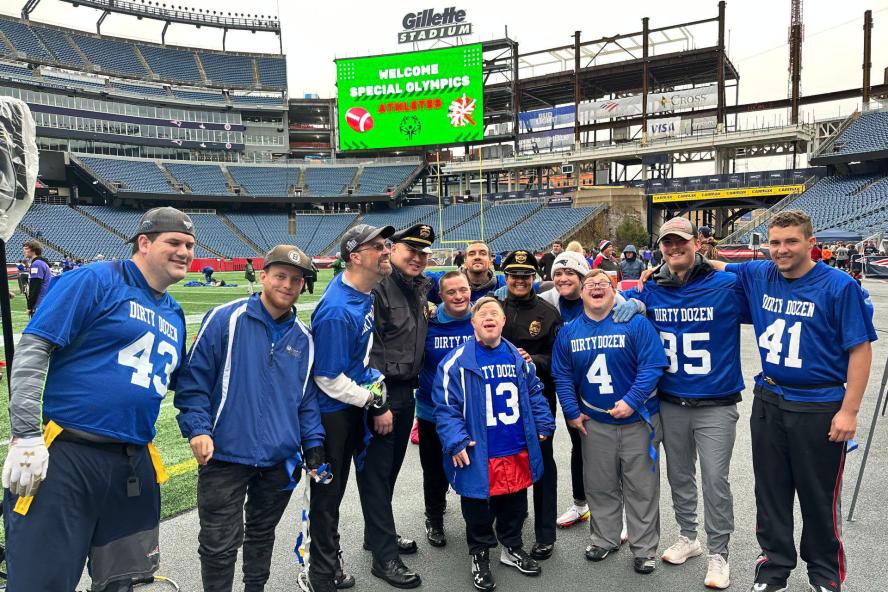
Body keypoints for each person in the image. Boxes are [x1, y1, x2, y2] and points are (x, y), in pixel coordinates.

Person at [2, 207, 194, 591]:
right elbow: (34, 348)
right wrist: (25, 433)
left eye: (190, 245)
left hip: (133, 464)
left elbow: (183, 383)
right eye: (174, 242)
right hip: (71, 456)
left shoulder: (173, 312)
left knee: (123, 581)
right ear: (144, 242)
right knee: (40, 581)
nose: (185, 252)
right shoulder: (97, 279)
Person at [708, 210, 876, 592]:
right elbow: (715, 265)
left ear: (810, 244)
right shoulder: (760, 273)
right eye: (775, 242)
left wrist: (849, 410)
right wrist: (670, 265)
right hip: (769, 399)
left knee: (818, 496)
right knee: (770, 491)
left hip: (818, 404)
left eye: (791, 242)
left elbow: (860, 350)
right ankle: (774, 567)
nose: (781, 250)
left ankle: (824, 573)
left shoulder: (838, 285)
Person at [174, 245, 324, 592]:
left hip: (278, 459)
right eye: (280, 276)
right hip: (223, 455)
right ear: (263, 276)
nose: (287, 285)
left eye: (295, 279)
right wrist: (198, 428)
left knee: (261, 534)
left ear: (302, 285)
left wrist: (313, 444)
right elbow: (193, 382)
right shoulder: (224, 318)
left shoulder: (304, 339)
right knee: (218, 544)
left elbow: (305, 400)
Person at [625, 216, 749, 589]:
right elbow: (615, 306)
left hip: (715, 401)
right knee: (679, 474)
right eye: (667, 242)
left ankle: (719, 552)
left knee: (715, 479)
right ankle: (688, 536)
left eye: (681, 241)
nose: (674, 248)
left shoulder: (726, 284)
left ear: (697, 242)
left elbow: (770, 289)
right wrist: (630, 297)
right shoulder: (651, 288)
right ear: (659, 247)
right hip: (671, 400)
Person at [308, 224, 423, 592]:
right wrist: (374, 402)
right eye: (377, 246)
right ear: (356, 256)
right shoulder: (337, 309)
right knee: (329, 494)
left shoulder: (364, 293)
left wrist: (373, 393)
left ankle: (379, 550)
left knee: (371, 479)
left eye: (385, 244)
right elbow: (327, 377)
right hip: (333, 414)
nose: (386, 250)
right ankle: (323, 571)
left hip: (356, 401)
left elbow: (360, 360)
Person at [433, 297, 556, 592]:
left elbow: (534, 392)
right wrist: (456, 440)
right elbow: (446, 407)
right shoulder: (456, 361)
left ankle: (511, 547)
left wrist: (543, 423)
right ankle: (480, 554)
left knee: (514, 501)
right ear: (473, 323)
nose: (489, 317)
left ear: (502, 322)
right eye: (482, 313)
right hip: (478, 448)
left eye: (495, 314)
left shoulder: (516, 357)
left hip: (514, 446)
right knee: (477, 505)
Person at [552, 268, 668, 575]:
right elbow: (562, 374)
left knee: (641, 488)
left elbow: (653, 364)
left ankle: (644, 549)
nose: (595, 288)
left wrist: (631, 400)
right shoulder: (569, 331)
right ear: (581, 293)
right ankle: (605, 538)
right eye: (589, 284)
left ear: (614, 289)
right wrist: (571, 411)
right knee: (600, 486)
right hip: (596, 423)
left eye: (602, 283)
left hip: (638, 421)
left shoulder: (635, 323)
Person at [365, 224, 435, 565]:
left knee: (389, 470)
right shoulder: (379, 287)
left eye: (424, 253)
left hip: (406, 389)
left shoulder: (419, 287)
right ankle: (384, 554)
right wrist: (379, 401)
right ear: (392, 249)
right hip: (384, 392)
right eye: (412, 250)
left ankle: (376, 534)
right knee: (378, 472)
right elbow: (368, 350)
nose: (418, 258)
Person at [498, 249, 562, 560]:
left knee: (542, 464)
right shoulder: (494, 309)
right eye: (514, 275)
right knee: (508, 460)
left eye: (525, 275)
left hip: (538, 400)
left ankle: (545, 534)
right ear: (506, 277)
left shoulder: (548, 314)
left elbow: (560, 361)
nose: (519, 280)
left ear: (533, 277)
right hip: (502, 404)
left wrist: (533, 360)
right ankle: (511, 526)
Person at [416, 271, 474, 548]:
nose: (459, 296)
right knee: (434, 470)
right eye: (451, 292)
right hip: (432, 410)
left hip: (472, 413)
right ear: (440, 296)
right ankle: (434, 517)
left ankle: (477, 519)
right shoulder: (429, 321)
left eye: (463, 290)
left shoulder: (481, 319)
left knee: (472, 467)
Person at [428, 241, 506, 304]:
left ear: (490, 261)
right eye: (471, 254)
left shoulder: (502, 283)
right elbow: (418, 279)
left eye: (483, 253)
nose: (477, 257)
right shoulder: (444, 281)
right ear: (464, 262)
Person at [23, 239, 52, 317]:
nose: (24, 251)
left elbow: (36, 286)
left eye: (26, 249)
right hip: (44, 300)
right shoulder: (40, 262)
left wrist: (30, 305)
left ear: (34, 250)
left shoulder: (37, 264)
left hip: (39, 302)